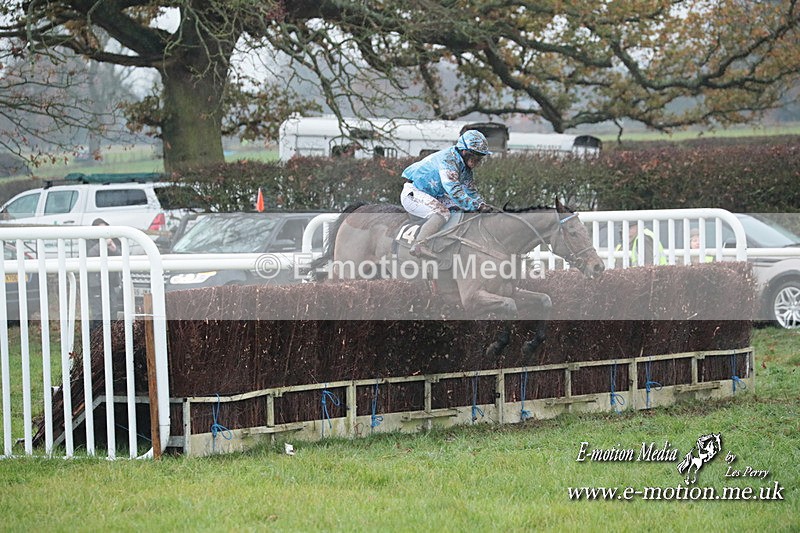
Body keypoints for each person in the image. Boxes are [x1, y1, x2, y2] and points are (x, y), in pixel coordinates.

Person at [400, 130, 493, 258]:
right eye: (475, 154)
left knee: (460, 210)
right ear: (463, 151)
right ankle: (419, 245)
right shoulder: (448, 160)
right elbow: (454, 190)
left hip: (432, 195)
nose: (477, 159)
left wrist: (482, 204)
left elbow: (470, 192)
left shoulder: (466, 169)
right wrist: (476, 206)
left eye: (480, 156)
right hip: (413, 193)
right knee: (442, 212)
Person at [87, 218, 122, 330]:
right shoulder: (88, 241)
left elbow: (121, 256)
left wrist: (114, 248)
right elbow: (89, 254)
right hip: (95, 284)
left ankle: (112, 340)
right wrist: (102, 244)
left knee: (112, 310)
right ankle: (97, 341)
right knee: (98, 314)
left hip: (110, 283)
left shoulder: (114, 240)